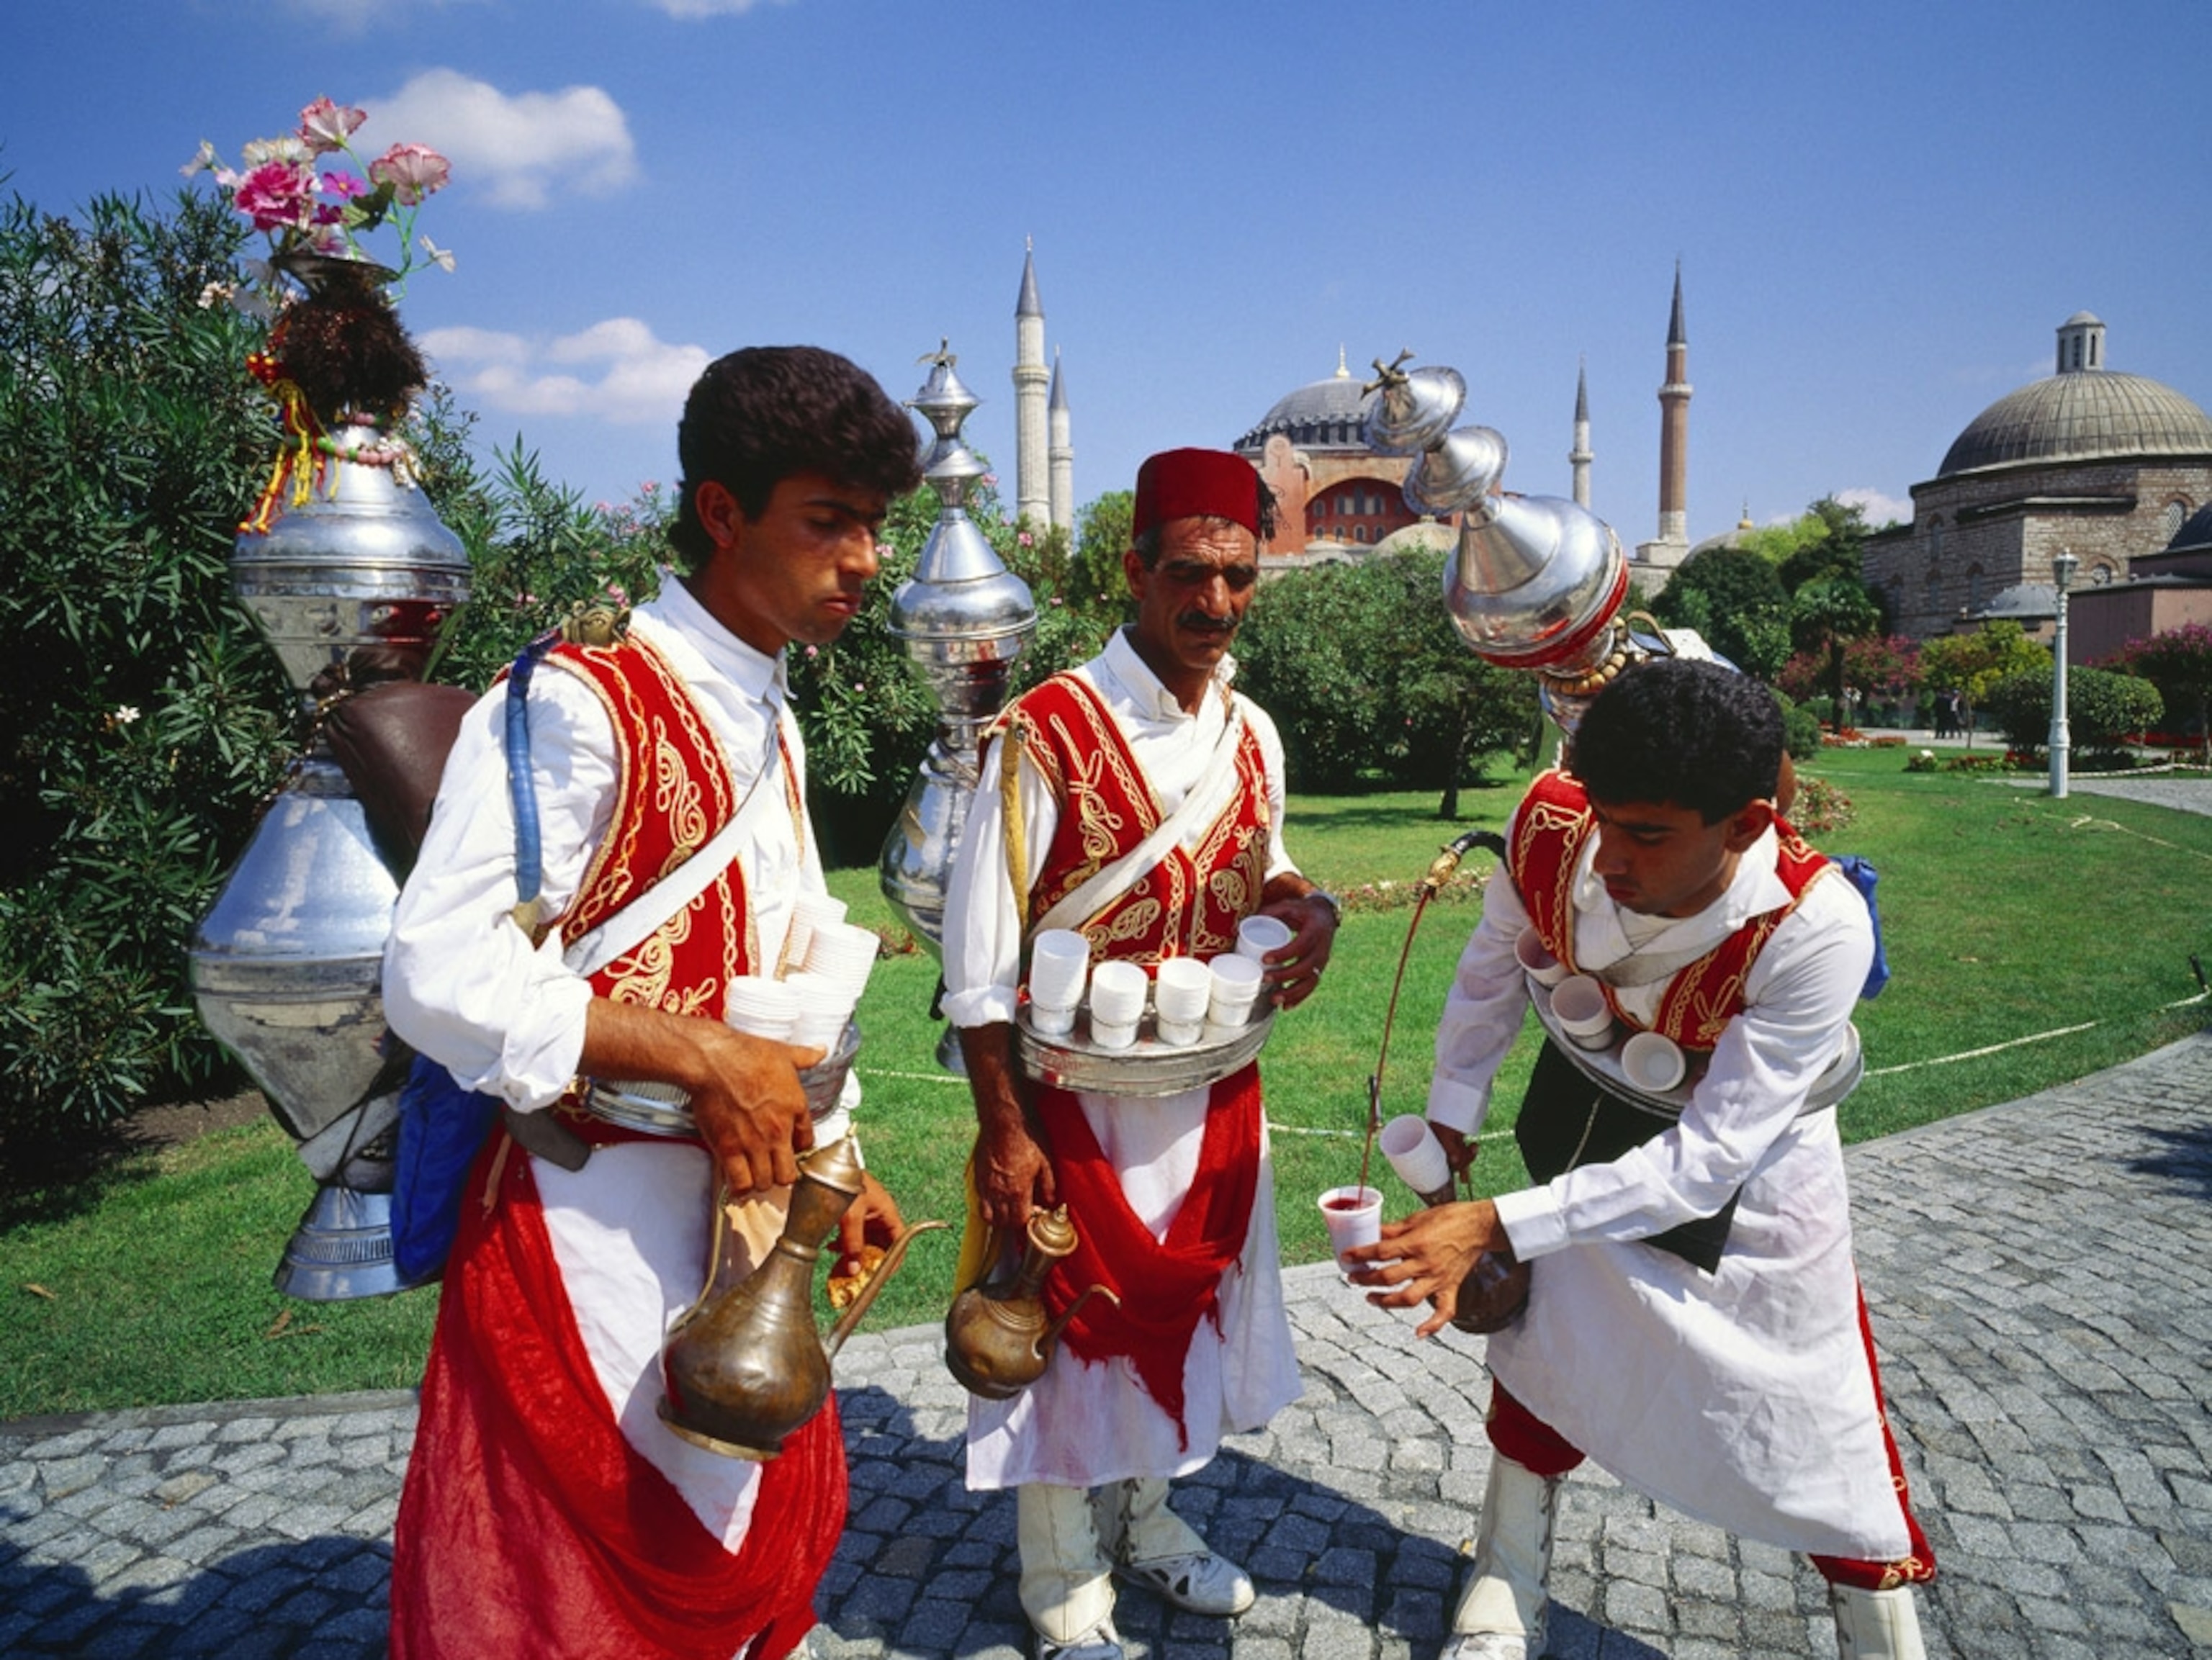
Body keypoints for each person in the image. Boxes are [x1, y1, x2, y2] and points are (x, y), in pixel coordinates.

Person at [382, 346, 922, 1660]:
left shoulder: (773, 716)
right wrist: (694, 1053)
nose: (864, 560)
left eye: (875, 526)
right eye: (828, 520)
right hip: (584, 1221)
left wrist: (835, 1166)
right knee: (578, 1598)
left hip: (741, 1221)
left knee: (737, 1554)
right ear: (723, 512)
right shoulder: (578, 702)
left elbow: (786, 975)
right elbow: (434, 968)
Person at [1349, 657, 1935, 1660]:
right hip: (1583, 1112)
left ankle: (1880, 1632)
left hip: (1756, 1170)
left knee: (1807, 1400)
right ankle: (1506, 1573)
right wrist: (1454, 1116)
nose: (1609, 857)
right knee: (1545, 1349)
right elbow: (1495, 962)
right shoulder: (1555, 824)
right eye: (1604, 817)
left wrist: (1497, 1221)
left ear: (1746, 823)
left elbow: (1710, 1158)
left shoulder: (1816, 924)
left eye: (1649, 834)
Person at [940, 448, 1341, 1660]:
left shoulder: (1253, 730)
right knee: (1066, 1333)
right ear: (1136, 569)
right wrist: (1004, 1134)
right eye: (1188, 576)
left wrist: (1308, 901)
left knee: (1191, 1318)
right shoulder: (1047, 732)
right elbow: (976, 956)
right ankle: (1062, 1579)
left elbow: (1260, 864)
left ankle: (1155, 1521)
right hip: (1071, 1109)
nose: (1213, 605)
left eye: (1238, 579)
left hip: (1212, 1089)